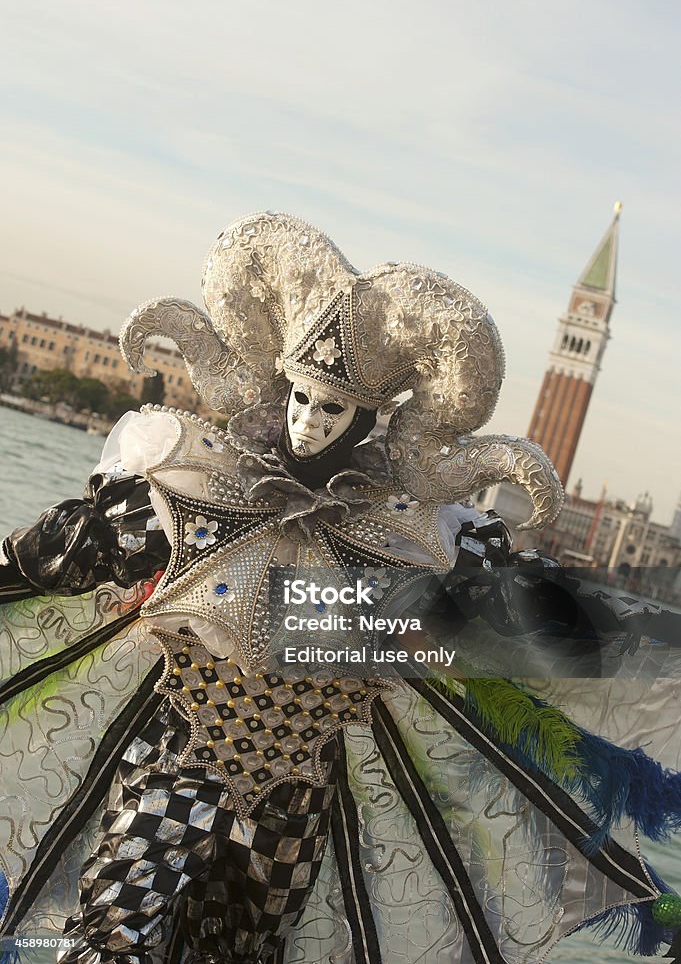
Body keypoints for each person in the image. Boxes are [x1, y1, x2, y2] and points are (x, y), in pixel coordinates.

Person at [1, 211, 681, 964]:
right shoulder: (195, 484)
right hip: (176, 763)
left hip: (297, 795)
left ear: (367, 419)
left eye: (331, 408)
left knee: (239, 955)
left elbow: (528, 632)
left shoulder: (420, 542)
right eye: (298, 396)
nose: (307, 421)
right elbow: (56, 555)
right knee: (111, 941)